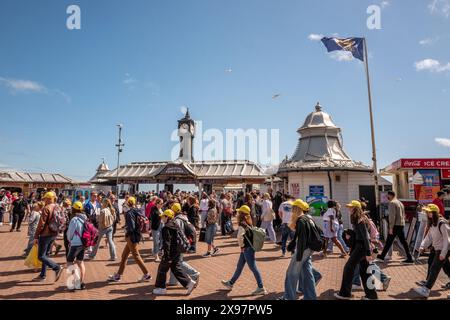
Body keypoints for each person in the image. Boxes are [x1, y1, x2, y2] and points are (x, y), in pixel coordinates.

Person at [334, 200, 378, 300]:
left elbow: (366, 237)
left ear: (355, 208)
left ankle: (345, 293)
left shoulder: (360, 219)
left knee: (348, 268)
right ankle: (372, 296)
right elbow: (361, 234)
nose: (349, 209)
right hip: (361, 246)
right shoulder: (358, 218)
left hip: (361, 247)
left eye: (351, 207)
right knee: (365, 272)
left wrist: (367, 253)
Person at [221, 205, 268, 296]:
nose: (237, 213)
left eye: (239, 212)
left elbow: (240, 237)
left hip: (246, 249)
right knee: (239, 266)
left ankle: (261, 287)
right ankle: (231, 283)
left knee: (253, 268)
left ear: (241, 214)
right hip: (247, 249)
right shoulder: (248, 221)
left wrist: (241, 246)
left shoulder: (242, 224)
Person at [153, 209, 197, 295]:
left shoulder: (166, 228)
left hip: (170, 252)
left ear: (167, 217)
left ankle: (161, 288)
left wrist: (166, 255)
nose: (162, 218)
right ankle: (189, 283)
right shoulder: (175, 224)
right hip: (177, 251)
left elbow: (167, 243)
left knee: (162, 269)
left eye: (163, 217)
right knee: (175, 268)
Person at [107, 197, 152, 283]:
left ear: (128, 203)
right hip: (136, 236)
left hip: (131, 237)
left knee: (136, 256)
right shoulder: (137, 211)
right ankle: (118, 275)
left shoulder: (129, 213)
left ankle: (147, 274)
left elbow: (131, 227)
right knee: (124, 256)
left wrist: (127, 231)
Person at [279, 199, 317, 300]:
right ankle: (311, 296)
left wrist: (298, 254)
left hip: (303, 249)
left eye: (293, 208)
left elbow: (302, 240)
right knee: (306, 271)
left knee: (291, 273)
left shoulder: (301, 220)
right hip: (309, 248)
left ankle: (288, 297)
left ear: (296, 209)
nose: (291, 210)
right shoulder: (308, 218)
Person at [414, 204, 450, 298]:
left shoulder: (442, 223)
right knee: (447, 269)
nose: (427, 213)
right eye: (427, 212)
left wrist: (443, 253)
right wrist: (422, 246)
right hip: (438, 248)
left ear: (434, 213)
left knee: (434, 269)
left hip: (443, 249)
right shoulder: (432, 223)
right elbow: (429, 237)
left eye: (429, 212)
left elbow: (447, 240)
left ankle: (426, 289)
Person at [33, 192, 64, 282]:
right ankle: (43, 275)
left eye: (46, 198)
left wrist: (36, 236)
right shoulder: (58, 206)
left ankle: (57, 267)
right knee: (46, 255)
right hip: (54, 233)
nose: (44, 200)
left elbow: (41, 224)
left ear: (50, 198)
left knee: (41, 256)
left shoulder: (46, 208)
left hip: (45, 234)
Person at [376, 191, 414, 264]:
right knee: (402, 241)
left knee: (389, 241)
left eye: (388, 196)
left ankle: (382, 256)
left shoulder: (392, 203)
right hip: (400, 224)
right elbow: (403, 215)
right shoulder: (400, 203)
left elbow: (392, 216)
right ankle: (409, 258)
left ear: (390, 195)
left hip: (395, 225)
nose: (387, 198)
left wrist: (391, 227)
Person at [168, 203, 200, 287]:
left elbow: (179, 233)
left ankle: (194, 274)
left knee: (178, 261)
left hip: (180, 243)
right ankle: (173, 281)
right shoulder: (183, 217)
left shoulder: (177, 220)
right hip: (184, 242)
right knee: (175, 261)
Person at [66, 201, 88, 290]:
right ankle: (82, 282)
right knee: (80, 262)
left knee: (70, 262)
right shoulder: (85, 218)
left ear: (74, 209)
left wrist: (69, 241)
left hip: (75, 243)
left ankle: (75, 282)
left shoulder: (74, 219)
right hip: (83, 243)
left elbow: (70, 233)